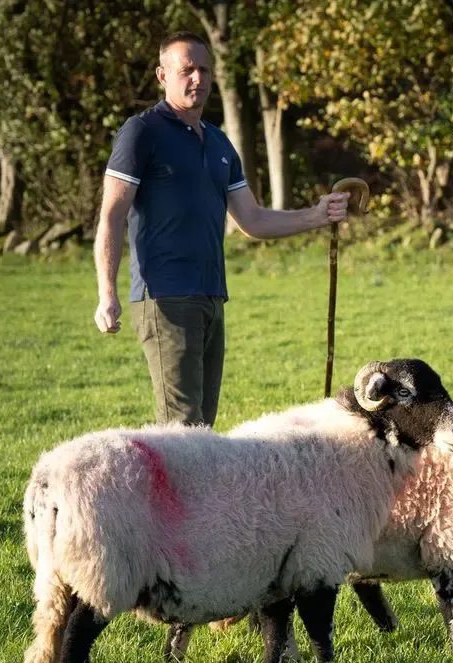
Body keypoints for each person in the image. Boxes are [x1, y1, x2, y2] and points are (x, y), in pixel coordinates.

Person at [93, 31, 350, 426]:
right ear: (163, 75)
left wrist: (316, 215)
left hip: (212, 296)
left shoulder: (218, 142)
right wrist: (106, 294)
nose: (197, 78)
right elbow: (111, 214)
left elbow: (252, 219)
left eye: (204, 69)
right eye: (187, 70)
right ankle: (166, 491)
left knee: (202, 429)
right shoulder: (141, 132)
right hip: (164, 296)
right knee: (181, 431)